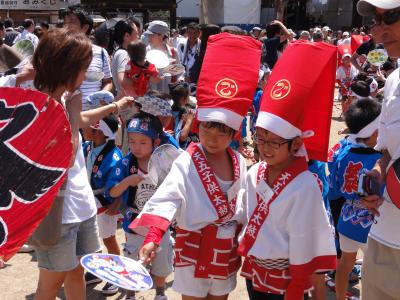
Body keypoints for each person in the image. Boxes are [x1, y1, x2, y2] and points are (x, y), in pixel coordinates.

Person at [132, 33, 261, 300]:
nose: (212, 138)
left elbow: (246, 206)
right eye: (207, 130)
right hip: (193, 246)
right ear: (198, 127)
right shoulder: (187, 160)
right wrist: (153, 236)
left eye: (222, 133)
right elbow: (167, 197)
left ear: (234, 134)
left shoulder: (238, 161)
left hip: (224, 248)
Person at [26, 28, 133, 300]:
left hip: (80, 206)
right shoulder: (39, 106)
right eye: (84, 68)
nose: (87, 75)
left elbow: (81, 119)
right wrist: (74, 118)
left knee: (77, 273)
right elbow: (63, 157)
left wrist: (115, 107)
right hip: (58, 214)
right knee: (49, 286)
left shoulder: (63, 97)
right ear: (67, 68)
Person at [238, 40, 337, 300]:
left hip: (289, 275)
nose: (266, 148)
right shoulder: (254, 172)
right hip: (256, 271)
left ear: (296, 144)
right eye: (260, 139)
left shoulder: (306, 184)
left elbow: (312, 236)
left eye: (275, 142)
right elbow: (243, 213)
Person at [355, 1, 400, 299]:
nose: (379, 29)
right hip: (385, 237)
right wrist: (378, 171)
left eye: (392, 17)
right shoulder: (394, 81)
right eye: (375, 20)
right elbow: (388, 151)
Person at [107, 113, 173, 300]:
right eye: (133, 141)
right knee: (132, 261)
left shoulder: (164, 163)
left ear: (155, 142)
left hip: (159, 224)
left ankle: (160, 293)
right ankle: (130, 293)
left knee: (162, 261)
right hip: (134, 223)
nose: (136, 147)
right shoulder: (126, 164)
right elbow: (112, 192)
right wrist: (128, 181)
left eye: (143, 142)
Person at [329, 99, 382, 300]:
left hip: (347, 218)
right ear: (375, 131)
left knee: (345, 264)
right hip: (373, 224)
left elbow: (334, 188)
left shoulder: (342, 152)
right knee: (373, 269)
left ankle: (340, 297)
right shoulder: (380, 160)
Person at [81, 114, 123, 295]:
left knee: (108, 238)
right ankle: (95, 271)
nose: (83, 128)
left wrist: (116, 203)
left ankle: (116, 274)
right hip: (87, 199)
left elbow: (117, 182)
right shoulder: (87, 146)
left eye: (87, 126)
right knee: (90, 238)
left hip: (104, 202)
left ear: (98, 131)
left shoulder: (113, 155)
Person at [63, 5, 113, 111]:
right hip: (66, 115)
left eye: (71, 21)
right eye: (65, 22)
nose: (66, 26)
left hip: (94, 114)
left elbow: (108, 81)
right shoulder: (59, 52)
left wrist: (103, 95)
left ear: (85, 27)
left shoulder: (101, 52)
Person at [146, 20, 181, 93]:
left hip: (168, 97)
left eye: (152, 35)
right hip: (149, 98)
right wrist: (149, 77)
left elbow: (180, 72)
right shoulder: (145, 52)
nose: (149, 37)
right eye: (148, 34)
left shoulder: (173, 52)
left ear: (161, 35)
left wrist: (179, 80)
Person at [169, 81, 195, 149]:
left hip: (169, 145)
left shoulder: (169, 110)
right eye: (188, 95)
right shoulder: (185, 113)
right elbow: (183, 137)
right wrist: (189, 120)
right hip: (180, 148)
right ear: (183, 99)